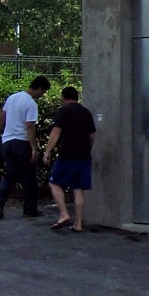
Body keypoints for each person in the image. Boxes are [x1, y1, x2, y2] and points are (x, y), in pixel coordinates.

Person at [0, 75, 52, 219]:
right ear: (39, 88)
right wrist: (34, 148)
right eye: (43, 92)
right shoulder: (31, 104)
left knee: (11, 173)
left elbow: (1, 117)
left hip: (7, 142)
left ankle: (0, 199)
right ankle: (30, 208)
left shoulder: (13, 97)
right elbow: (30, 126)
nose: (42, 95)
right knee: (29, 175)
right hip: (21, 142)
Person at [43, 86, 97, 233]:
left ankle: (64, 214)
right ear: (77, 97)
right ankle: (78, 223)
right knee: (78, 188)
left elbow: (56, 131)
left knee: (54, 183)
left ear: (63, 97)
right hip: (84, 156)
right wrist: (87, 148)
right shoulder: (86, 113)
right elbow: (92, 135)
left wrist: (48, 151)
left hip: (67, 154)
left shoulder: (63, 111)